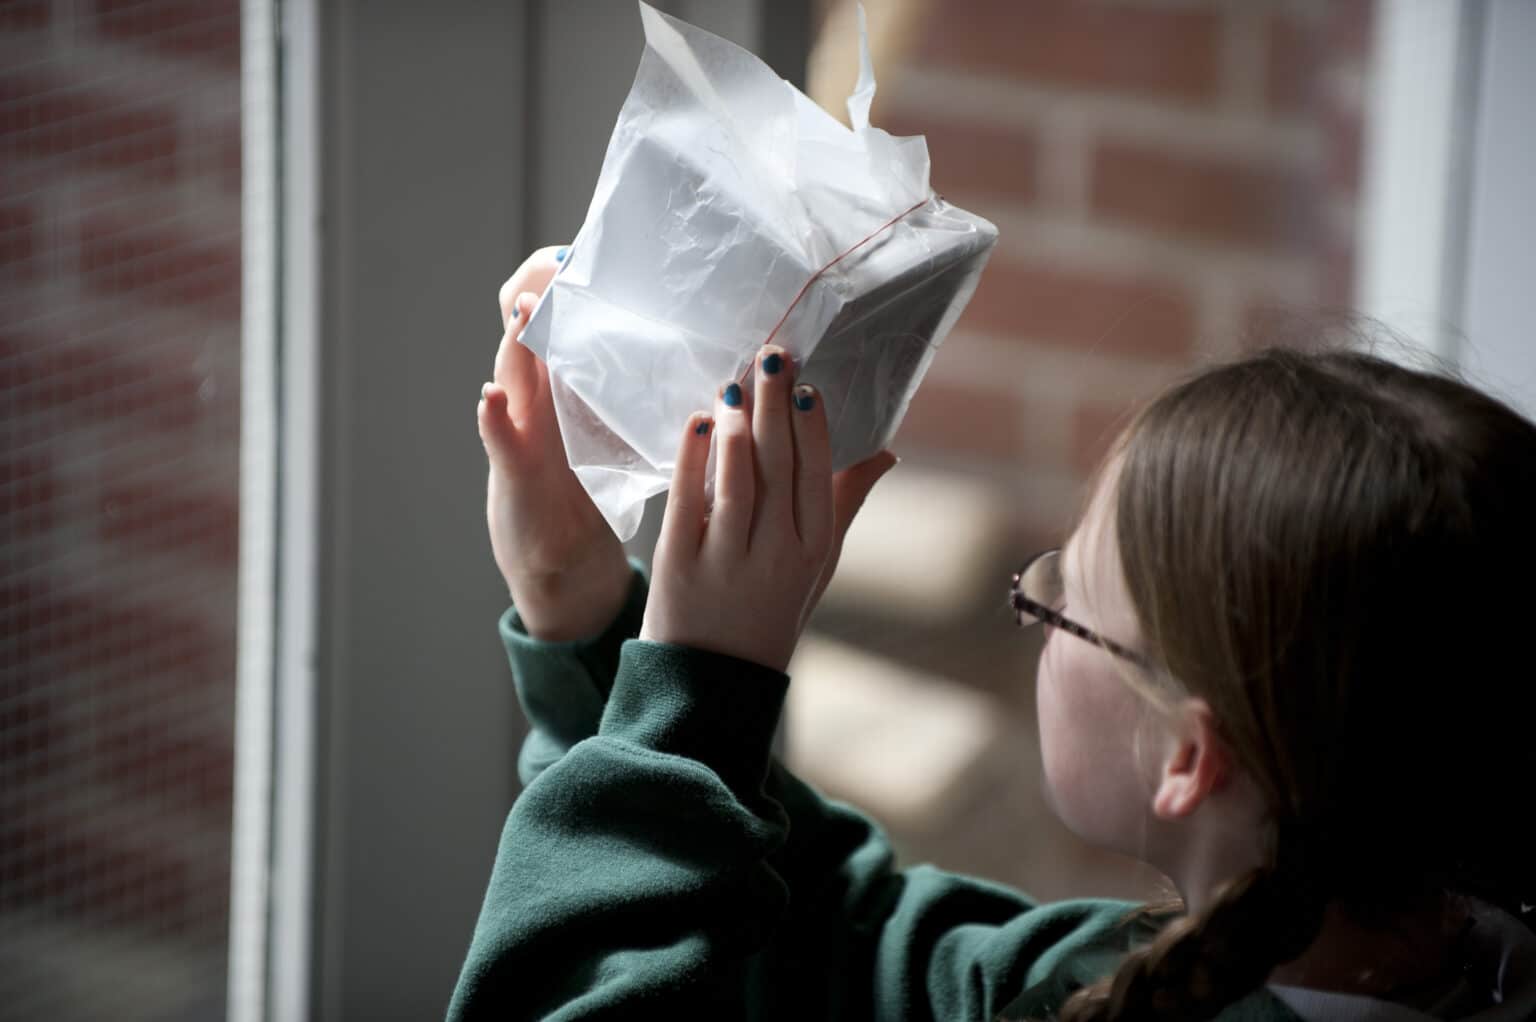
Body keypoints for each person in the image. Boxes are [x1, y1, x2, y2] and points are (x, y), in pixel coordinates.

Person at [448, 247, 1536, 1021]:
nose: (1034, 604)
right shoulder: (1390, 962)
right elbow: (838, 941)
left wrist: (700, 684)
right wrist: (586, 602)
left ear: (1189, 755)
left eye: (1058, 597)